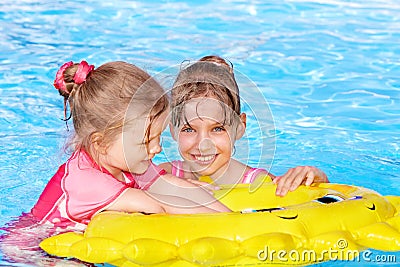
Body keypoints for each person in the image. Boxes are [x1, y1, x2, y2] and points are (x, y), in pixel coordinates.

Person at [0, 60, 230, 266]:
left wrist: (228, 211)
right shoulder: (86, 180)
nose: (157, 148)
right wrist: (228, 225)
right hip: (32, 249)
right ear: (100, 143)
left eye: (158, 138)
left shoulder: (127, 160)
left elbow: (167, 185)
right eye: (146, 141)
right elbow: (155, 206)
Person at [159, 55, 329, 196]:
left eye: (217, 129)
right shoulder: (164, 175)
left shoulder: (258, 183)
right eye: (189, 129)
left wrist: (317, 179)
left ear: (240, 127)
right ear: (173, 130)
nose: (203, 144)